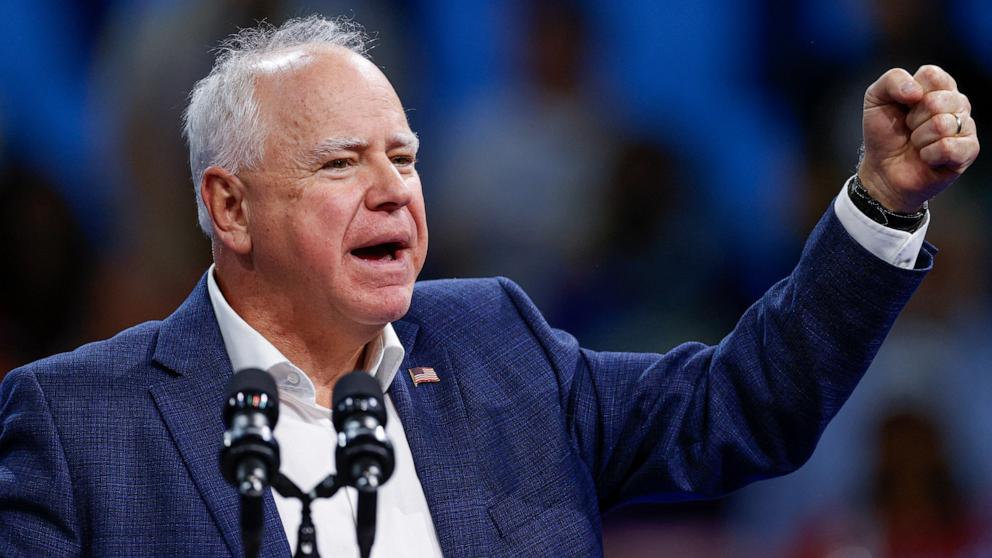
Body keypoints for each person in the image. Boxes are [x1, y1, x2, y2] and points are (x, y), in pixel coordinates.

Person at [0, 15, 980, 558]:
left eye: (406, 157)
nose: (393, 191)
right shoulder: (80, 422)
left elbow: (741, 405)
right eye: (342, 163)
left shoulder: (494, 345)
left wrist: (880, 206)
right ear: (231, 208)